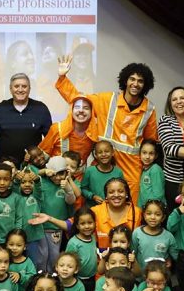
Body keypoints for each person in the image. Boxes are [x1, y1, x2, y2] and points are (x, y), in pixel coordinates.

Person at [57, 56, 158, 200]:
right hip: (104, 163)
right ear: (125, 80)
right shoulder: (108, 100)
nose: (135, 84)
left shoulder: (149, 109)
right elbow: (78, 98)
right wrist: (62, 78)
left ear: (146, 84)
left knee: (130, 203)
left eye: (140, 81)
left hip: (132, 167)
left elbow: (150, 141)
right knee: (100, 203)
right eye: (132, 79)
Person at [0, 73, 52, 166]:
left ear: (29, 89)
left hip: (33, 167)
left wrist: (48, 162)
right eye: (16, 86)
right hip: (5, 167)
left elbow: (50, 139)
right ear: (10, 89)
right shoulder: (0, 108)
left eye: (24, 86)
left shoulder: (41, 108)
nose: (20, 90)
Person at [36, 156, 77, 270]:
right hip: (41, 226)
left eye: (60, 173)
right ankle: (41, 275)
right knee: (42, 255)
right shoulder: (43, 182)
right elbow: (33, 176)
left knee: (54, 255)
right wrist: (44, 171)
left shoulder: (67, 184)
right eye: (54, 174)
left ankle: (52, 275)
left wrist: (68, 189)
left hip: (57, 227)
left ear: (66, 172)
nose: (57, 177)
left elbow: (71, 200)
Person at [38, 95, 97, 165]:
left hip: (82, 175)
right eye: (77, 107)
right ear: (71, 110)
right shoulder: (57, 129)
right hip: (56, 174)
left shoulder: (95, 132)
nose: (81, 110)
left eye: (86, 108)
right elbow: (39, 156)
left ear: (91, 112)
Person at [91, 178, 142, 249]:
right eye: (111, 192)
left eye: (120, 191)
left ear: (126, 194)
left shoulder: (137, 212)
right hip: (101, 259)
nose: (116, 195)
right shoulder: (95, 211)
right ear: (106, 195)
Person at [131, 199, 178, 272]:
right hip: (140, 277)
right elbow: (133, 254)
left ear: (163, 217)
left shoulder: (168, 236)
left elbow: (176, 256)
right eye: (149, 213)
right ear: (144, 215)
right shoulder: (137, 233)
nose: (152, 217)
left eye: (158, 214)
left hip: (161, 278)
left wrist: (169, 260)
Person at [65, 207, 99, 291]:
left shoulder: (93, 237)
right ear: (77, 225)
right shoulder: (74, 243)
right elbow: (68, 262)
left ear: (95, 223)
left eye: (90, 222)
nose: (87, 226)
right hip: (79, 280)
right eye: (83, 223)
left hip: (92, 279)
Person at [81, 140, 124, 208]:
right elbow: (83, 189)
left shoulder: (118, 172)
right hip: (92, 208)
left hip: (111, 209)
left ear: (112, 153)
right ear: (96, 155)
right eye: (100, 152)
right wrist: (93, 196)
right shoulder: (90, 171)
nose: (103, 154)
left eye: (106, 151)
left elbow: (122, 190)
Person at [137, 139, 165, 209]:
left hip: (154, 210)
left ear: (156, 155)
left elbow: (158, 195)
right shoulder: (144, 169)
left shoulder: (155, 169)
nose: (147, 157)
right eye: (144, 153)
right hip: (145, 210)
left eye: (151, 153)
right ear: (140, 153)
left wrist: (149, 209)